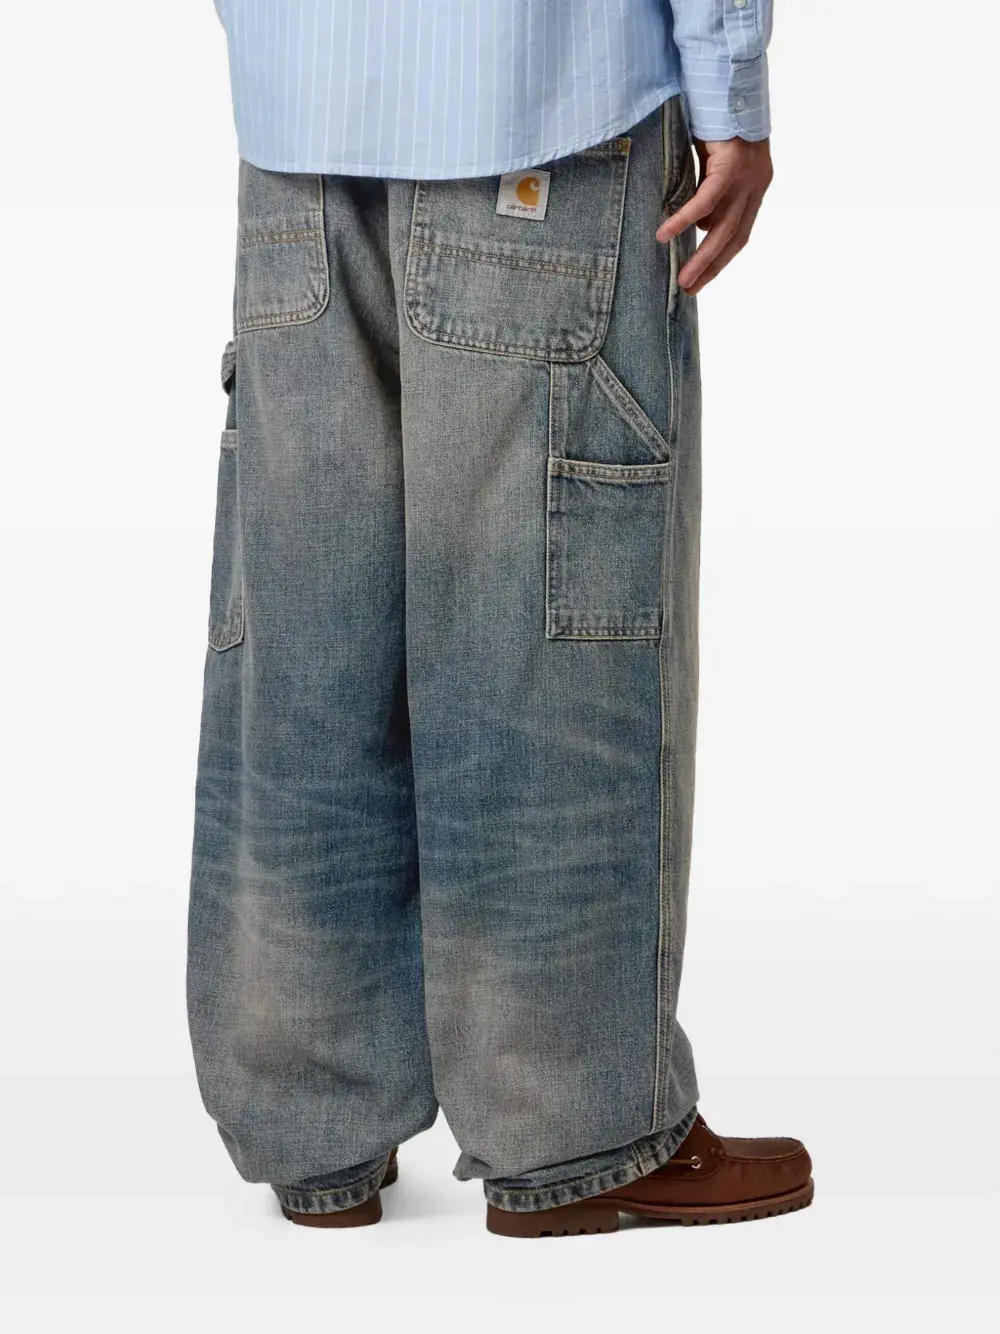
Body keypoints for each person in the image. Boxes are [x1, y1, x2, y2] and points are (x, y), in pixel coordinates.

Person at [188, 0, 813, 1238]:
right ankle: (572, 1129)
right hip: (541, 96)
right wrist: (730, 92)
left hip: (296, 114)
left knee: (309, 635)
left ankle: (314, 1125)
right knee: (543, 646)